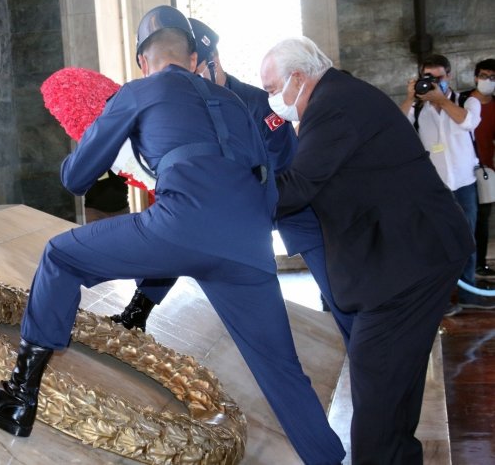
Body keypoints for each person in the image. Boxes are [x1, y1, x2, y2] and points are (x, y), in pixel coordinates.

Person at [0, 6, 346, 464]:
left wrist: (113, 138)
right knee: (283, 372)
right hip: (250, 248)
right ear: (195, 58)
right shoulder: (238, 105)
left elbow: (77, 178)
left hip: (179, 227)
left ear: (142, 61)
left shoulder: (141, 91)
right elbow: (266, 179)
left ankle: (17, 397)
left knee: (60, 256)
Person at [260, 36, 473, 465]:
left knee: (376, 381)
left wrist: (228, 192)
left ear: (298, 78)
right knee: (393, 384)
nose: (272, 102)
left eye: (271, 89)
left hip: (410, 260)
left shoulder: (333, 105)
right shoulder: (340, 96)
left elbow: (298, 187)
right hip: (408, 253)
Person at [111, 18, 354, 346]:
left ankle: (354, 333)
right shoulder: (184, 106)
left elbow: (285, 164)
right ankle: (138, 311)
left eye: (191, 71)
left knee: (332, 278)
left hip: (285, 201)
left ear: (210, 62)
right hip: (221, 207)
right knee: (176, 228)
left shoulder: (261, 105)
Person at [399, 54, 482, 315]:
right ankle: (441, 298)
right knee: (435, 243)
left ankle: (469, 293)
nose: (434, 82)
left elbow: (468, 122)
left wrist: (442, 101)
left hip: (464, 182)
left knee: (467, 239)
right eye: (428, 78)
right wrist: (412, 97)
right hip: (433, 187)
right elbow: (397, 127)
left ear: (449, 76)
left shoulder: (467, 101)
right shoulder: (419, 108)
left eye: (439, 77)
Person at [465, 59, 495, 285]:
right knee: (467, 219)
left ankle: (480, 264)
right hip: (463, 171)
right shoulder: (463, 101)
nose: (487, 81)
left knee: (483, 218)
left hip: (486, 170)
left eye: (492, 77)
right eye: (484, 75)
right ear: (475, 77)